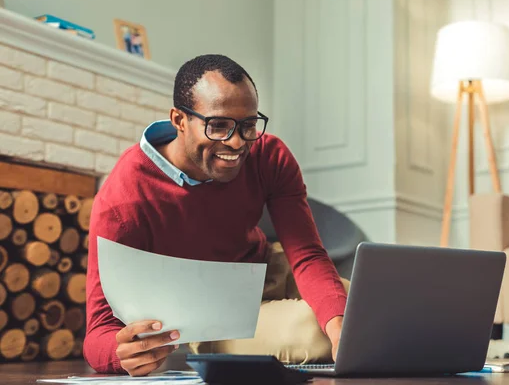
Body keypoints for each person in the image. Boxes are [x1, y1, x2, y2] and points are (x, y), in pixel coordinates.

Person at [84, 54, 349, 376]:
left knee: (364, 307)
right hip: (211, 312)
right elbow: (98, 331)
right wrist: (120, 352)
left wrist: (340, 324)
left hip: (266, 268)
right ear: (179, 120)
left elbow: (307, 254)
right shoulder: (122, 202)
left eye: (248, 125)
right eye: (218, 125)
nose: (237, 142)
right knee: (311, 333)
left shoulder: (270, 155)